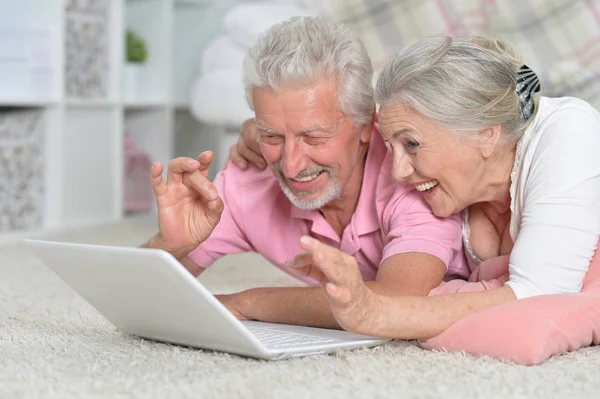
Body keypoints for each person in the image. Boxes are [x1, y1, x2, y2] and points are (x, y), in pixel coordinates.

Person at [231, 35, 600, 363]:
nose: (397, 172)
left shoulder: (569, 133)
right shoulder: (458, 179)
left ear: (487, 134)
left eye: (411, 145)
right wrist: (269, 133)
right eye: (392, 146)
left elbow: (539, 293)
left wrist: (376, 313)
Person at [142, 17, 468, 330]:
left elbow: (397, 300)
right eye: (271, 136)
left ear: (367, 125)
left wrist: (250, 302)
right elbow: (138, 297)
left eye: (313, 137)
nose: (291, 165)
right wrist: (169, 246)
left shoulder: (412, 174)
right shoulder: (248, 180)